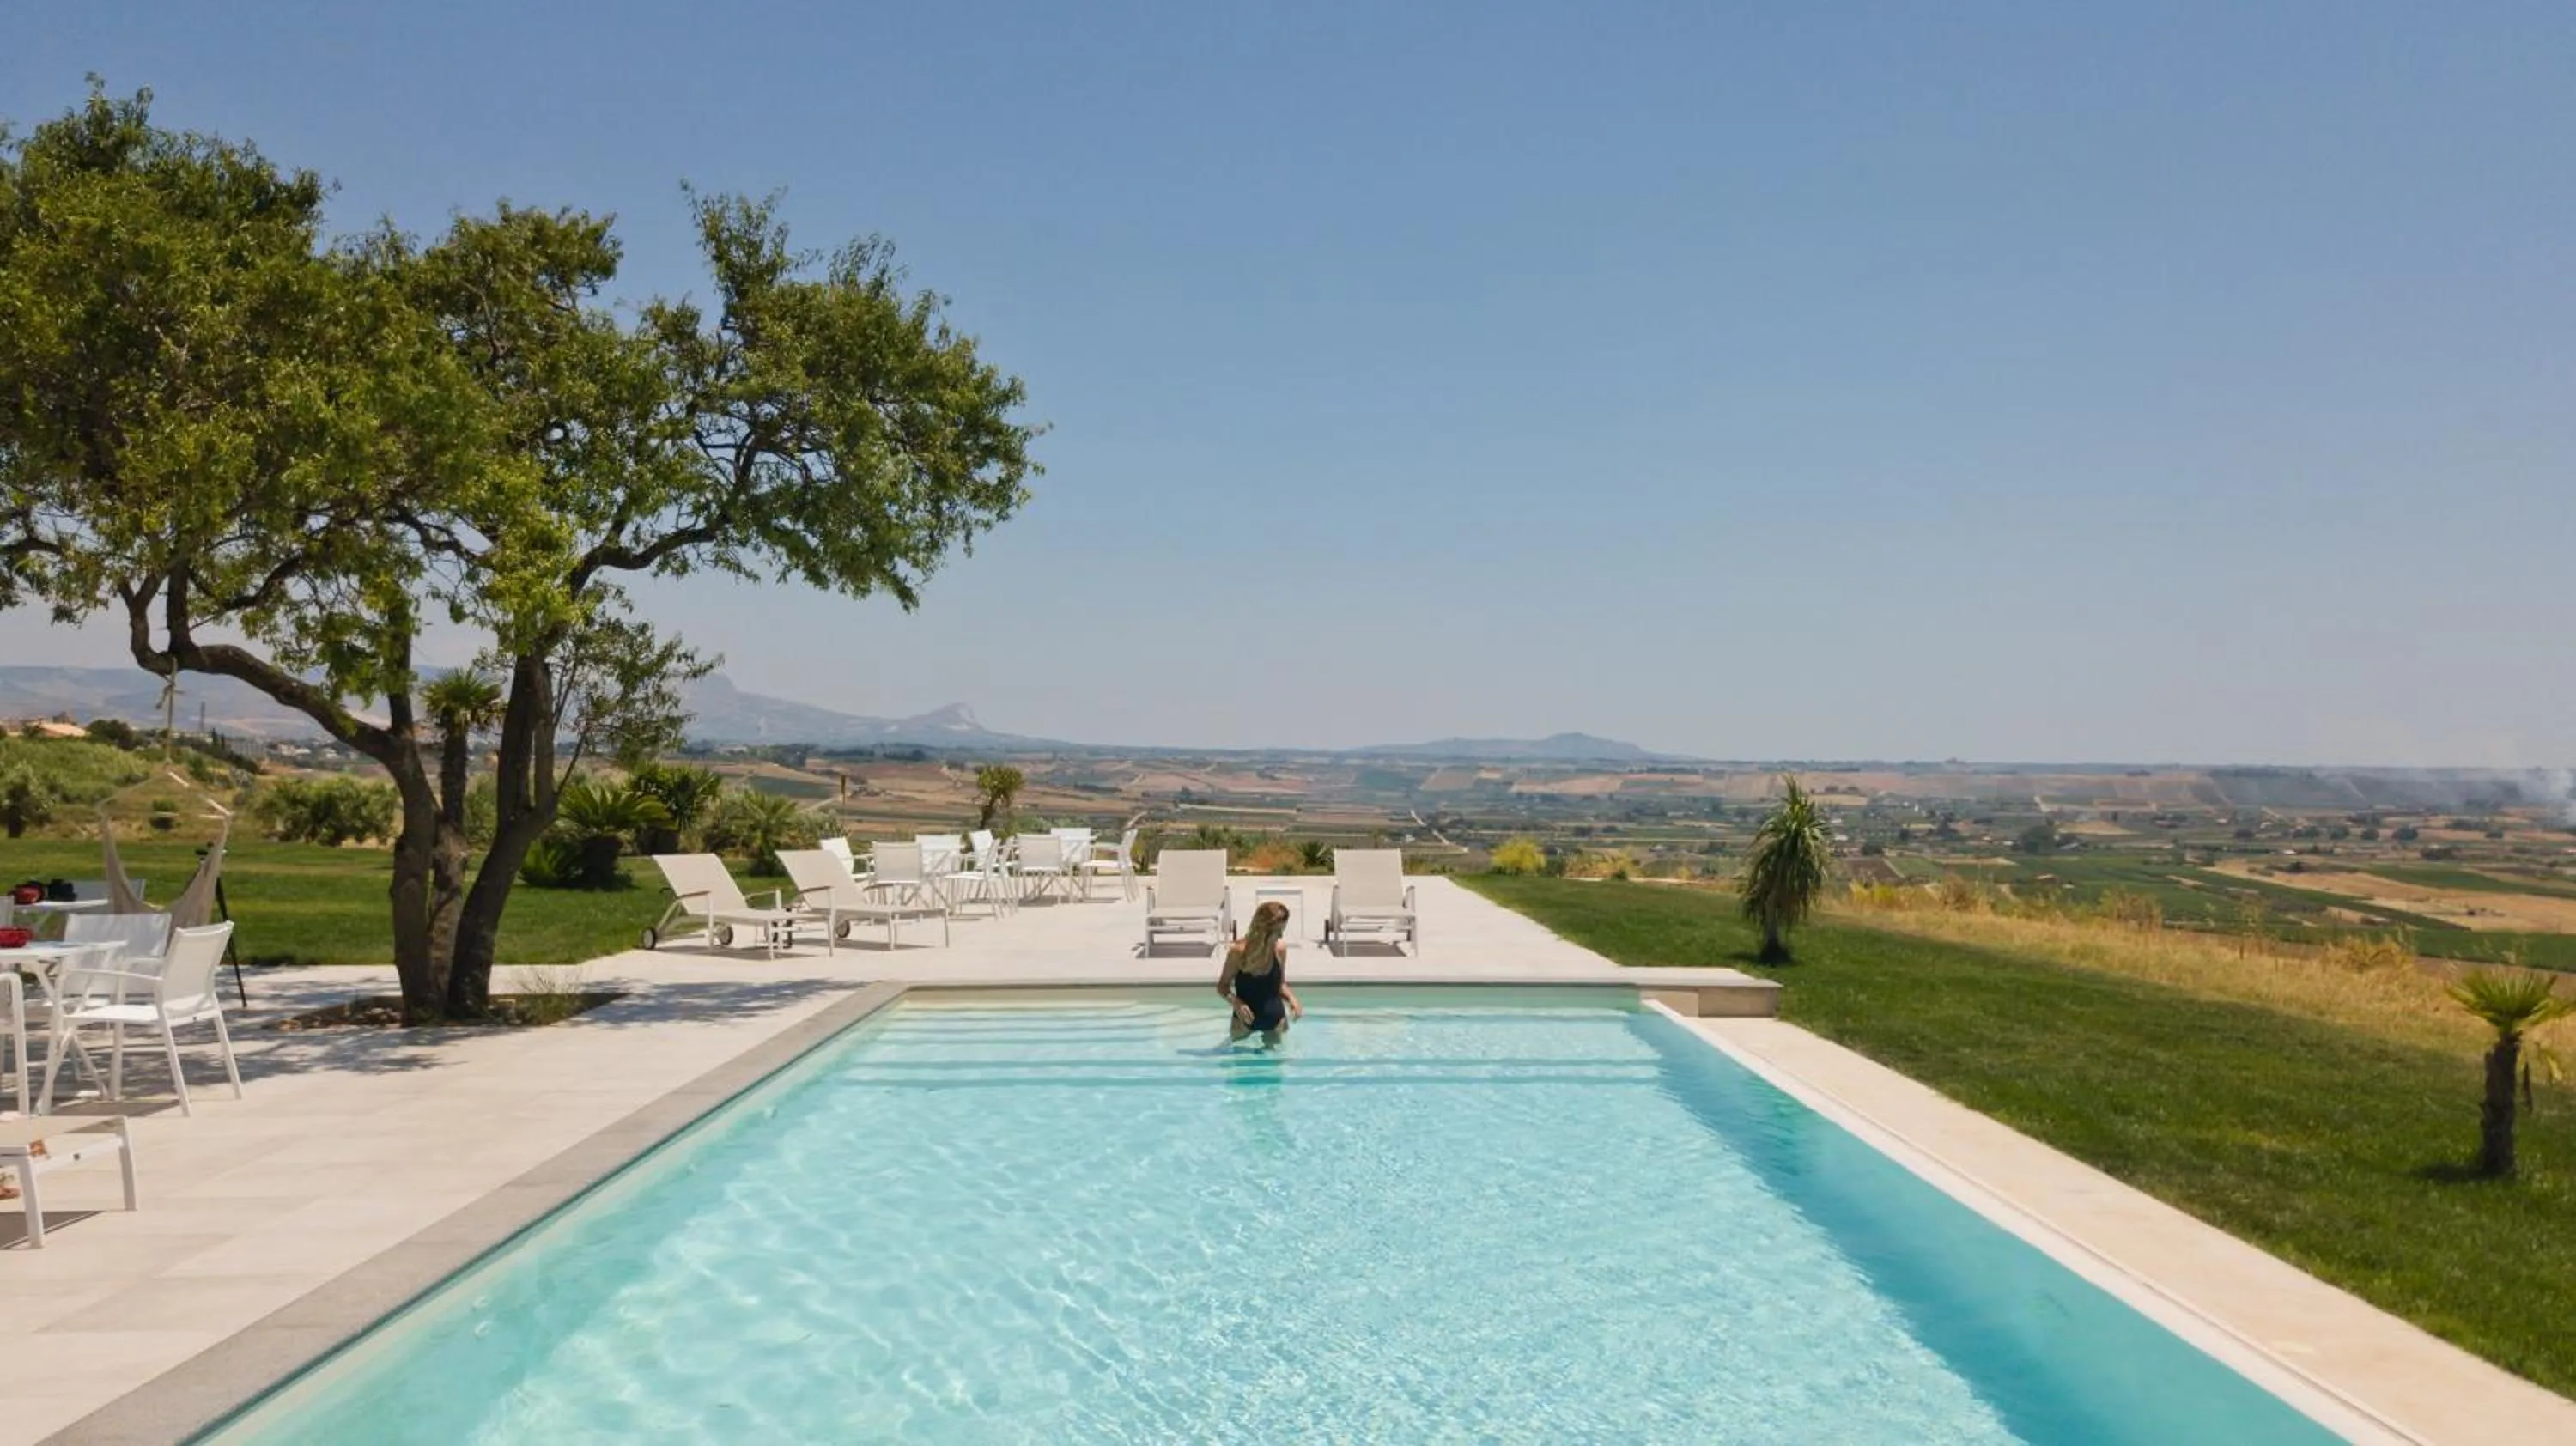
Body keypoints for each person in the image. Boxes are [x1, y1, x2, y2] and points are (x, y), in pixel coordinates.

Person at [1217, 901, 1302, 1047]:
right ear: (1263, 929)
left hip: (1276, 1022)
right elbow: (1222, 986)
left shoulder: (1280, 949)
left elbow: (1280, 985)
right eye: (1277, 931)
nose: (1281, 935)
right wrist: (1236, 1003)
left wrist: (1293, 1000)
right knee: (1239, 1065)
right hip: (1242, 1023)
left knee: (1275, 1067)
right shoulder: (1238, 951)